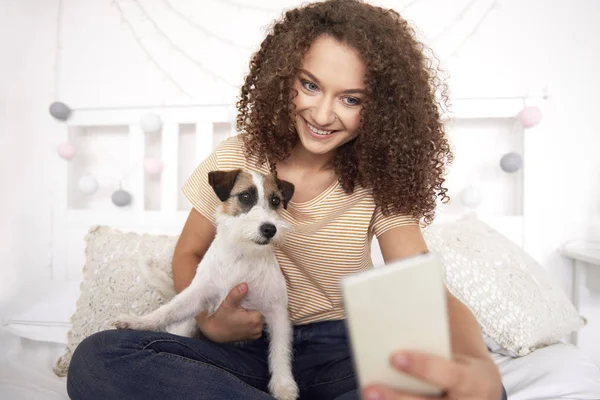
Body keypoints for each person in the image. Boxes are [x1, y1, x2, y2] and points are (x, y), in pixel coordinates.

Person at [66, 0, 507, 399]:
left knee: (468, 395)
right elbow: (191, 252)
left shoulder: (380, 180)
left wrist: (478, 365)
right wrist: (207, 321)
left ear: (382, 109)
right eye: (310, 86)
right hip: (243, 354)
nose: (321, 114)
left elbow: (423, 287)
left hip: (345, 352)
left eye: (351, 99)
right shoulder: (239, 155)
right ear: (283, 78)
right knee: (99, 359)